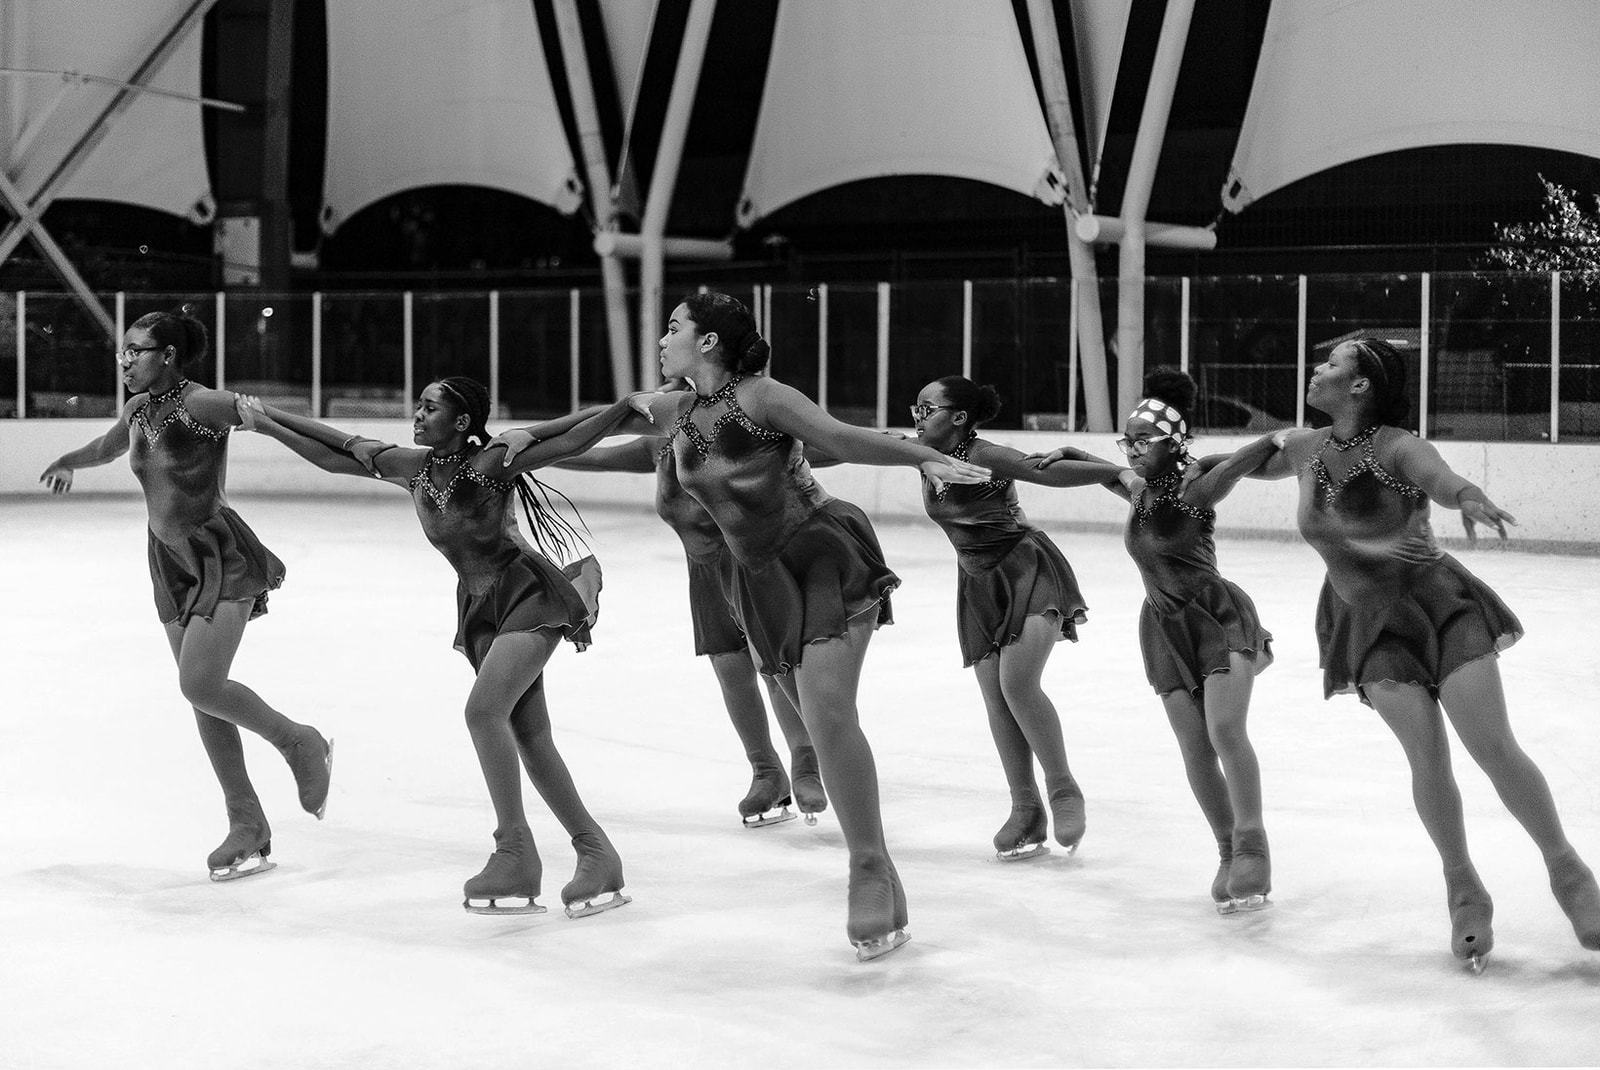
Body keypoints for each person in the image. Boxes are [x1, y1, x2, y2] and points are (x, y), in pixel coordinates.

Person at [605, 291, 988, 961]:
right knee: (813, 714)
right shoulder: (676, 408)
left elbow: (839, 437)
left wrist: (918, 456)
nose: (663, 338)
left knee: (829, 713)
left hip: (817, 553)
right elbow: (606, 420)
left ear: (711, 342)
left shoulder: (762, 396)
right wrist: (525, 445)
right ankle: (879, 868)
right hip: (758, 580)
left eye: (674, 328)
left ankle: (867, 867)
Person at [1247, 336, 1600, 969]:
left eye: (1332, 364)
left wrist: (1468, 496)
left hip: (1439, 608)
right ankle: (1463, 887)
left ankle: (1567, 870)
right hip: (1367, 624)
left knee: (1492, 746)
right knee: (1428, 759)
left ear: (1360, 386)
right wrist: (1177, 464)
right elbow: (1244, 465)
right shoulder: (1304, 448)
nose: (1317, 370)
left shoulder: (1396, 446)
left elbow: (1439, 478)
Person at [236, 377, 638, 919]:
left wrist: (624, 407)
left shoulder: (492, 463)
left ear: (462, 421)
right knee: (530, 734)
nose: (417, 414)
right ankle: (596, 853)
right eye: (419, 406)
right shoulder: (416, 469)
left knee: (484, 712)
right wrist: (269, 423)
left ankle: (514, 849)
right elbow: (339, 452)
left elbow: (569, 441)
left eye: (430, 408)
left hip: (526, 594)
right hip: (479, 609)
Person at [37, 308, 332, 883]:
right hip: (169, 562)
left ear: (168, 355)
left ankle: (299, 741)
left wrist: (363, 452)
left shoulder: (199, 405)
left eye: (137, 351)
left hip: (219, 554)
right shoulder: (138, 408)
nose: (125, 361)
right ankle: (245, 821)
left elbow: (275, 421)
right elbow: (108, 445)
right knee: (203, 695)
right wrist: (68, 461)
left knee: (199, 682)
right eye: (123, 351)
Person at [1035, 368, 1279, 913]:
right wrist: (1071, 449)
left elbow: (1243, 461)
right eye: (1128, 441)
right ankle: (1225, 849)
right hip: (1165, 629)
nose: (1132, 450)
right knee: (1194, 748)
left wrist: (1277, 439)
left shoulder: (1198, 490)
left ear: (1174, 443)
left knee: (1224, 731)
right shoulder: (1138, 488)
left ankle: (1253, 846)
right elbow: (1105, 473)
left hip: (1215, 618)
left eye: (1142, 441)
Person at [552, 435, 827, 827]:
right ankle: (766, 770)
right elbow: (590, 455)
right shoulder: (659, 447)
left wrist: (905, 450)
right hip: (705, 571)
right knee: (729, 667)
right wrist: (526, 454)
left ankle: (806, 765)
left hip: (758, 566)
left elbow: (829, 443)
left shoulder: (744, 429)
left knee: (773, 665)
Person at [906, 376, 1127, 862]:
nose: (917, 417)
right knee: (995, 696)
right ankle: (1025, 809)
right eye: (916, 408)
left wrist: (1119, 473)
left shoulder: (984, 455)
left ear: (958, 417)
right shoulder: (916, 454)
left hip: (1024, 569)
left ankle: (1064, 790)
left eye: (927, 408)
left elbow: (1044, 472)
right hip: (977, 585)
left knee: (1018, 683)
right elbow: (844, 442)